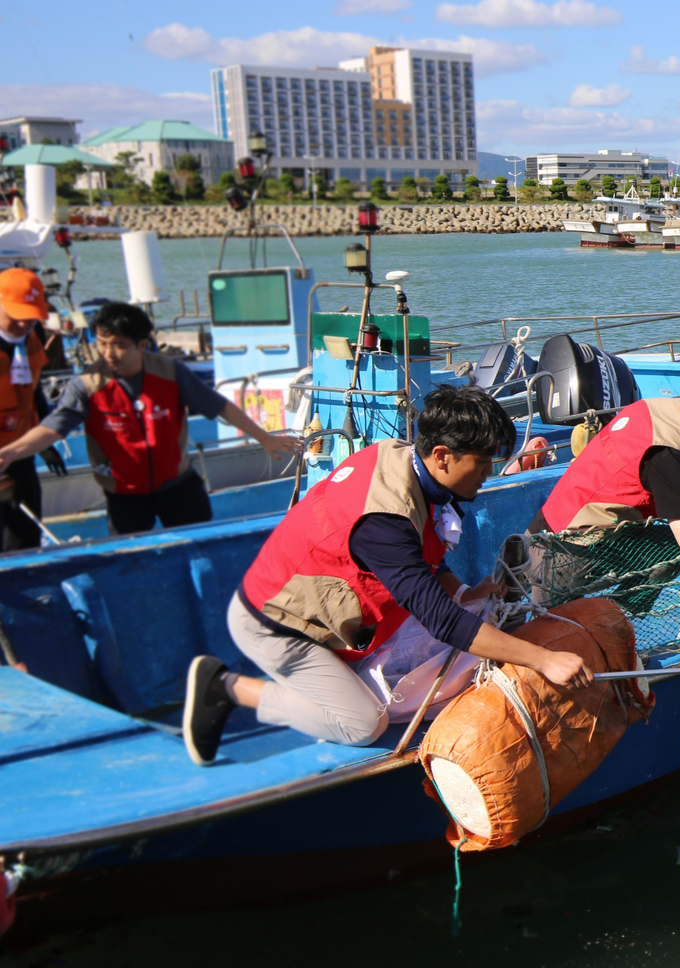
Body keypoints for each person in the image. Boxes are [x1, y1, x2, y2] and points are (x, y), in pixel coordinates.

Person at [183, 385, 593, 766]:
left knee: (459, 631)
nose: (488, 472)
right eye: (482, 462)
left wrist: (466, 591)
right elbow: (442, 620)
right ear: (442, 455)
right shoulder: (383, 521)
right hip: (276, 626)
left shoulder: (409, 464)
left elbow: (428, 559)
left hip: (329, 616)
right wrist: (545, 659)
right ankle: (226, 687)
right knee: (364, 724)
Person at [532, 358, 680, 660]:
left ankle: (607, 609)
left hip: (546, 522)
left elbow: (668, 482)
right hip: (565, 548)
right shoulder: (674, 453)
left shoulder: (660, 410)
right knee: (546, 639)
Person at [0, 302, 300, 536]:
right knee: (129, 562)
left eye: (118, 345)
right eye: (102, 343)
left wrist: (264, 437)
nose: (108, 353)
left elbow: (219, 406)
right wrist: (10, 453)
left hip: (178, 486)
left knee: (199, 546)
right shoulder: (87, 385)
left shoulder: (170, 373)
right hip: (124, 496)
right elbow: (53, 428)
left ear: (142, 345)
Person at [0, 268, 54, 550]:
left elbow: (34, 392)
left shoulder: (33, 335)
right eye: (15, 314)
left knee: (25, 536)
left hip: (20, 452)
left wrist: (44, 439)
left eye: (30, 315)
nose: (23, 323)